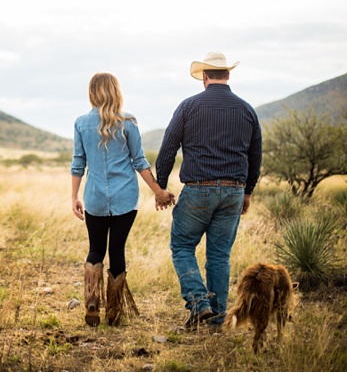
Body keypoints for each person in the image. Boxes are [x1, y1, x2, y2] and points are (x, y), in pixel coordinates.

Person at [155, 52, 262, 330]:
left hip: (198, 190)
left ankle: (199, 303)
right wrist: (247, 191)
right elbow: (255, 154)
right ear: (228, 75)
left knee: (181, 246)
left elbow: (168, 148)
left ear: (204, 76)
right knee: (219, 255)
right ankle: (215, 322)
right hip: (233, 192)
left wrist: (161, 186)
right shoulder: (246, 109)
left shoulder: (189, 106)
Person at [71, 72, 175, 327]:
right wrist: (158, 190)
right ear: (116, 91)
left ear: (92, 92)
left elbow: (78, 164)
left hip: (94, 196)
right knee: (117, 250)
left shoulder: (81, 123)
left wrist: (73, 196)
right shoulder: (128, 122)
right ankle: (115, 311)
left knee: (96, 249)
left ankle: (92, 301)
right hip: (125, 197)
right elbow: (139, 160)